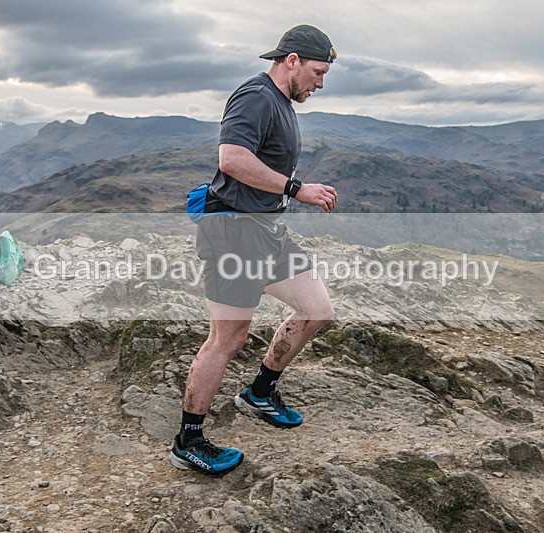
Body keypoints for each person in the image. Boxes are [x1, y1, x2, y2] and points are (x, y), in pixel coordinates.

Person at [169, 25, 338, 475]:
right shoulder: (256, 96)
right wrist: (297, 189)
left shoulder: (280, 101)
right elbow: (232, 159)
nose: (319, 84)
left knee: (316, 308)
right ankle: (189, 438)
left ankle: (259, 392)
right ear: (293, 60)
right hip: (231, 230)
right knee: (228, 338)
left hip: (263, 231)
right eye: (318, 73)